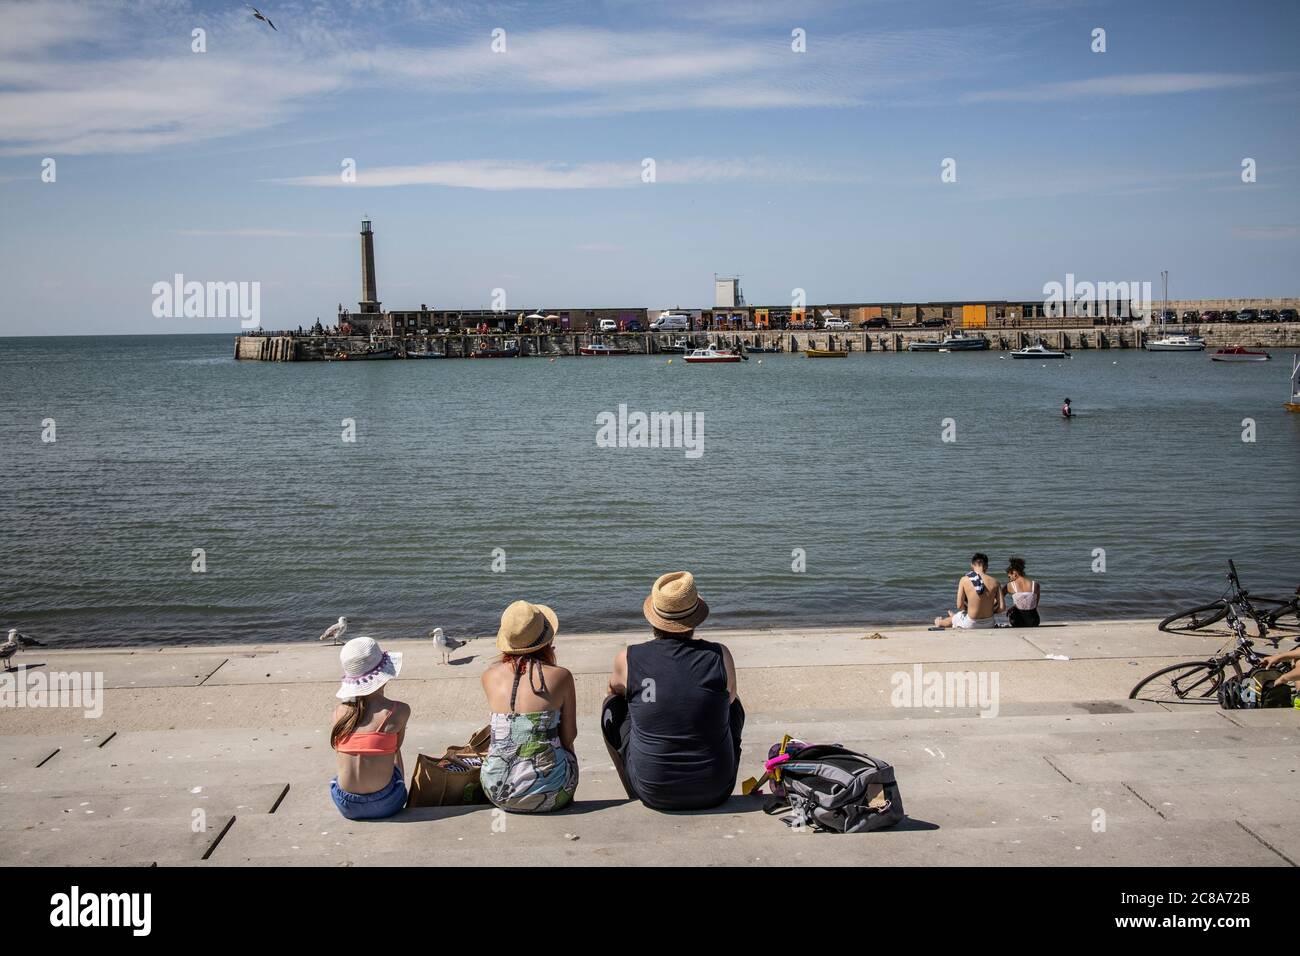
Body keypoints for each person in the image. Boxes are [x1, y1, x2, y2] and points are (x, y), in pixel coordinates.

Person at [602, 571, 744, 811]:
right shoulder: (719, 655)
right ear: (694, 619)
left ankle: (633, 786)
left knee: (612, 705)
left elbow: (613, 690)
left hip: (653, 792)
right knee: (733, 705)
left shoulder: (628, 658)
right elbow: (730, 699)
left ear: (654, 619)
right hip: (717, 789)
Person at [480, 600, 579, 812]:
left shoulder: (488, 676)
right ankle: (554, 785)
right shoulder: (561, 676)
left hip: (497, 793)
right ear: (546, 641)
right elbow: (569, 736)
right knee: (562, 746)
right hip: (551, 794)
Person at [329, 637, 410, 820]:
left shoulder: (339, 714)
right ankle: (399, 788)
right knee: (392, 749)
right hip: (387, 803)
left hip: (346, 805)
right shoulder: (399, 711)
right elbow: (395, 749)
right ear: (384, 675)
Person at [934, 553, 1001, 629]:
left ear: (972, 565)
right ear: (987, 566)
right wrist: (987, 610)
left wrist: (972, 609)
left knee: (957, 616)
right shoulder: (995, 582)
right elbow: (1002, 608)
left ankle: (940, 622)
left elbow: (959, 606)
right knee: (960, 615)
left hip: (971, 623)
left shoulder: (964, 580)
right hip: (990, 623)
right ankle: (956, 617)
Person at [1002, 556, 1041, 627]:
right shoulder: (1035, 585)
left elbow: (998, 600)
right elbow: (1033, 605)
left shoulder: (1009, 585)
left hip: (1017, 621)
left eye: (1009, 577)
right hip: (1034, 621)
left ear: (1015, 573)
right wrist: (1015, 606)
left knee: (1013, 612)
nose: (1009, 579)